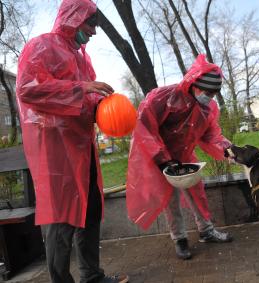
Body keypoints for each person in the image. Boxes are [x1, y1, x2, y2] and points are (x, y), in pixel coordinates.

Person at [16, 1, 128, 282]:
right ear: (74, 18)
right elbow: (28, 89)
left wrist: (104, 108)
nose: (94, 32)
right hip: (55, 152)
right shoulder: (41, 46)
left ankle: (92, 276)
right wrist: (81, 87)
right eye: (91, 24)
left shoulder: (81, 59)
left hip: (83, 149)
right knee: (61, 220)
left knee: (90, 213)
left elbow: (84, 101)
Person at [127, 54, 233, 260]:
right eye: (207, 92)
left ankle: (206, 230)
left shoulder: (207, 108)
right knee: (171, 200)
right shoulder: (163, 97)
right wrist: (163, 159)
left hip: (185, 155)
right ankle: (180, 239)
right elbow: (144, 128)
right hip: (161, 159)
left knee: (197, 192)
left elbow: (211, 135)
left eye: (214, 93)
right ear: (194, 84)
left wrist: (229, 149)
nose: (210, 97)